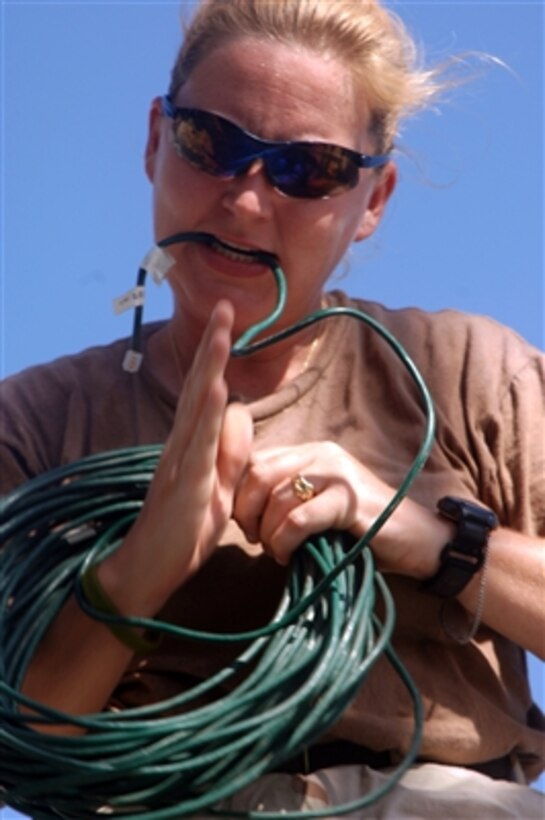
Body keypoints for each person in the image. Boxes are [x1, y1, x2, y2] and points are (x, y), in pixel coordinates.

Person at [1, 0, 543, 816]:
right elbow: (28, 738)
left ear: (373, 200)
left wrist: (430, 536)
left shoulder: (472, 373)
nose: (246, 202)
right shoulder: (36, 422)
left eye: (309, 169)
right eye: (210, 144)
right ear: (155, 140)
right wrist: (140, 567)